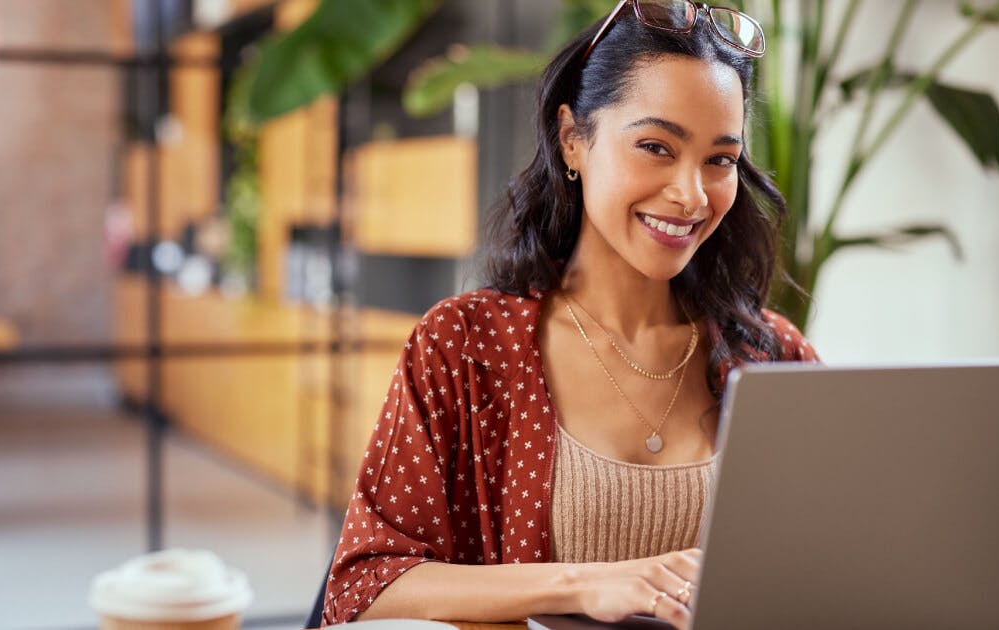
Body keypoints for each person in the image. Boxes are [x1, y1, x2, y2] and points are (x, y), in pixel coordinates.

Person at [321, 1, 818, 628]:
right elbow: (364, 588)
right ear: (572, 139)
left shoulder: (774, 355)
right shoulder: (464, 346)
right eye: (656, 147)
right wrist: (584, 585)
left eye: (719, 159)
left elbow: (828, 566)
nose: (692, 194)